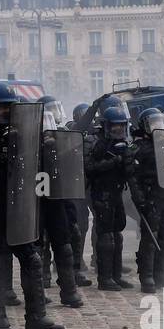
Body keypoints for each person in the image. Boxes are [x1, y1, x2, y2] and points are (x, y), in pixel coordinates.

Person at [0, 82, 65, 329]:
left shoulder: (20, 132)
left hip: (15, 207)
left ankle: (37, 318)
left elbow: (35, 165)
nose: (7, 114)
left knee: (32, 258)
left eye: (11, 109)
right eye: (2, 109)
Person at [36, 95, 85, 309]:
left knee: (64, 245)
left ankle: (69, 289)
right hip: (37, 197)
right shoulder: (29, 140)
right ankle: (40, 285)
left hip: (58, 198)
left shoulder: (63, 139)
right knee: (39, 246)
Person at [126, 108, 164, 294]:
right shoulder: (138, 148)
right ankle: (147, 276)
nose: (158, 127)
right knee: (150, 238)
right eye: (154, 123)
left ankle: (162, 273)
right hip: (150, 197)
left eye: (160, 123)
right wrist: (139, 199)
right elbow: (132, 177)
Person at [85, 105, 134, 291]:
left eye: (121, 127)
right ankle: (105, 278)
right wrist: (113, 161)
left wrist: (128, 161)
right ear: (106, 126)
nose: (118, 130)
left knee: (117, 235)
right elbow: (89, 168)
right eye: (115, 127)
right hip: (101, 193)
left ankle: (116, 275)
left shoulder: (123, 144)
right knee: (106, 236)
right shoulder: (96, 143)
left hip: (116, 193)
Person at [66, 103, 93, 288]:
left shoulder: (90, 137)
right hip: (71, 187)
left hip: (84, 186)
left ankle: (79, 260)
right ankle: (68, 264)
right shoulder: (70, 132)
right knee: (72, 228)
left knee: (82, 226)